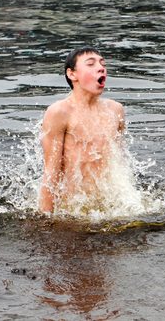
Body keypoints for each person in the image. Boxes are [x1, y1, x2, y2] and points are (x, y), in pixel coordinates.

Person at [38, 46, 126, 213]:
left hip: (108, 204)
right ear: (72, 74)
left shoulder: (115, 110)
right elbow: (51, 173)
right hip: (73, 208)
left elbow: (119, 165)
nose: (101, 67)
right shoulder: (59, 112)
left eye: (102, 64)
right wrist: (45, 221)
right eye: (90, 64)